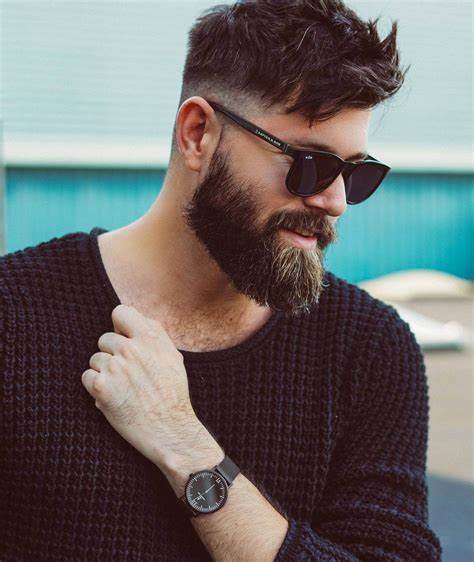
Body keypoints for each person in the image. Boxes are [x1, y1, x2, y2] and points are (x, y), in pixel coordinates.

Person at [0, 0, 442, 560]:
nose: (334, 202)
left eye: (357, 173)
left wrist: (184, 444)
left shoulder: (370, 348)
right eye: (310, 164)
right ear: (197, 134)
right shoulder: (13, 317)